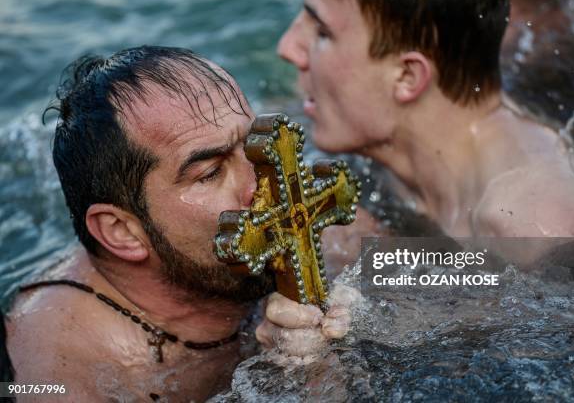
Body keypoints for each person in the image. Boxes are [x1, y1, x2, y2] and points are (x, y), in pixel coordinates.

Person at [6, 46, 354, 402]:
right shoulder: (55, 378)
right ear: (122, 231)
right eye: (211, 172)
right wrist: (287, 380)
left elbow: (410, 264)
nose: (261, 186)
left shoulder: (304, 216)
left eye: (255, 150)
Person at [276, 0, 574, 240]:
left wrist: (370, 270)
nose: (287, 47)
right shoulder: (383, 150)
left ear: (407, 76)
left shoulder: (540, 223)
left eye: (322, 32)